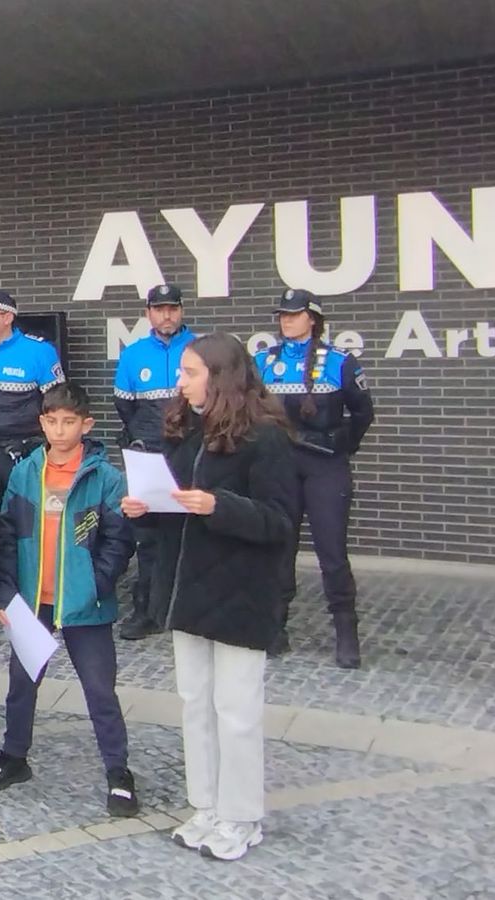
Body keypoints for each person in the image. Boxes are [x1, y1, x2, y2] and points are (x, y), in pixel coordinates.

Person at [123, 334, 296, 862]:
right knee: (196, 705)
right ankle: (207, 805)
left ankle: (242, 816)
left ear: (219, 377)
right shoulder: (184, 430)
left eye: (190, 373)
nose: (180, 382)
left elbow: (280, 520)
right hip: (188, 589)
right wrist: (145, 507)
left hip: (240, 592)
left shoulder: (266, 438)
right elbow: (174, 501)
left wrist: (217, 506)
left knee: (236, 709)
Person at [0, 382, 140, 818]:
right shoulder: (26, 472)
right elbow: (9, 536)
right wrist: (4, 592)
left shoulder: (105, 477)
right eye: (51, 421)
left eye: (68, 422)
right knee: (21, 683)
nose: (59, 430)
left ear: (86, 424)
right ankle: (14, 756)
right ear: (41, 422)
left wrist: (95, 584)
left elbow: (117, 541)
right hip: (35, 601)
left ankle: (118, 771)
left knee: (99, 689)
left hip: (84, 604)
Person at [256, 289, 376, 668]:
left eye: (294, 314)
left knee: (332, 552)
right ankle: (275, 626)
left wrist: (341, 445)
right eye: (282, 315)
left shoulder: (340, 361)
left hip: (325, 465)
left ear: (313, 318)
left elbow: (363, 413)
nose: (286, 320)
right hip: (280, 467)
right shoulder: (263, 361)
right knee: (279, 547)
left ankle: (346, 632)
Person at [112, 284, 196, 641]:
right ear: (148, 313)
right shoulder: (133, 355)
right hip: (150, 456)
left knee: (191, 536)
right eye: (159, 309)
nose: (166, 315)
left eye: (172, 308)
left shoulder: (198, 350)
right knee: (146, 537)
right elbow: (125, 407)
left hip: (190, 454)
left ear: (181, 310)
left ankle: (187, 610)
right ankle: (146, 609)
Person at [0, 289, 65, 519]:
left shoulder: (40, 351)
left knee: (28, 519)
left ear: (7, 317)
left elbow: (58, 405)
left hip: (27, 452)